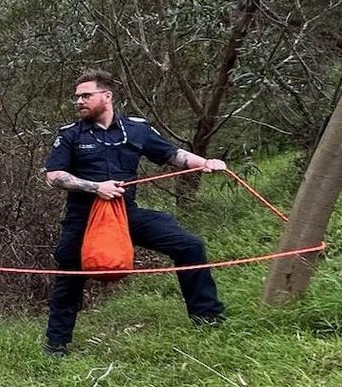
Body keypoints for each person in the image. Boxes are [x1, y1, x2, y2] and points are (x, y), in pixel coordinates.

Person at [42, 69, 228, 356]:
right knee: (69, 277)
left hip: (125, 214)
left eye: (86, 95)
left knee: (189, 246)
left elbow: (173, 155)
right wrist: (95, 187)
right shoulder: (70, 135)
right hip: (84, 219)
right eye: (77, 97)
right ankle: (56, 347)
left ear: (107, 96)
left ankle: (208, 319)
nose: (79, 101)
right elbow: (54, 176)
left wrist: (206, 162)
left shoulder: (136, 129)